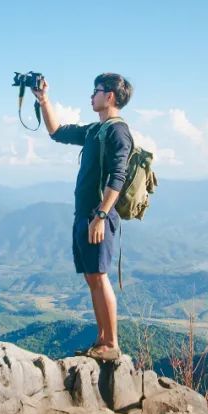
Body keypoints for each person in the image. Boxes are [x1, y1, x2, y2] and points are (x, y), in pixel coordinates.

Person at [32, 73, 134, 361]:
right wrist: (44, 100)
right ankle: (102, 339)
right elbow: (56, 132)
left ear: (110, 96)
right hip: (85, 216)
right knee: (92, 277)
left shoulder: (118, 132)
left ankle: (111, 343)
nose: (92, 96)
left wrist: (101, 215)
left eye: (96, 91)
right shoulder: (94, 131)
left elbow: (118, 176)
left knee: (100, 277)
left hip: (98, 217)